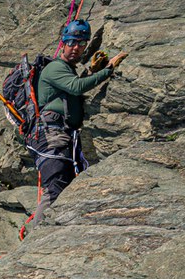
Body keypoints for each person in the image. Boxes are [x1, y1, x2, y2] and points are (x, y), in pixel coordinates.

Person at [34, 19, 127, 210]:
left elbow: (72, 88)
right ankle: (38, 236)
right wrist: (108, 70)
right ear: (63, 43)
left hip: (62, 133)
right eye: (71, 43)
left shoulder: (68, 70)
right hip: (52, 133)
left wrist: (91, 71)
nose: (76, 48)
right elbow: (75, 87)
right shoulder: (55, 68)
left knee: (64, 185)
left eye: (81, 43)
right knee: (55, 187)